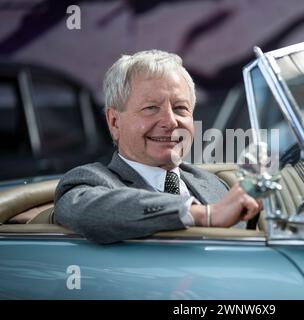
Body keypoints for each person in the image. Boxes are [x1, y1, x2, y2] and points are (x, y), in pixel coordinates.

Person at [54, 50, 261, 244]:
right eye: (151, 108)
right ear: (114, 122)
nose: (170, 122)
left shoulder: (214, 184)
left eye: (180, 108)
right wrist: (204, 215)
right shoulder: (88, 183)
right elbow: (87, 212)